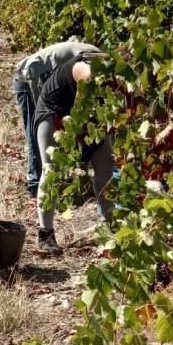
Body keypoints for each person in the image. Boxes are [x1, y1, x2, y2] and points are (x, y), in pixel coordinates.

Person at [33, 58, 114, 255]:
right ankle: (46, 234)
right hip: (56, 112)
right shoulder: (86, 68)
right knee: (52, 170)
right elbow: (79, 113)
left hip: (94, 117)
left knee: (106, 166)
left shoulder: (124, 82)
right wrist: (75, 142)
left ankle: (109, 227)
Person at [12, 41, 105, 197]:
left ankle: (52, 177)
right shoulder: (90, 67)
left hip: (46, 77)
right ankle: (35, 184)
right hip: (27, 78)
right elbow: (47, 105)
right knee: (36, 133)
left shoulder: (100, 63)